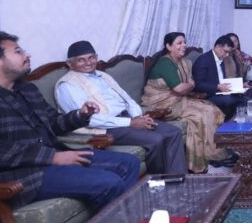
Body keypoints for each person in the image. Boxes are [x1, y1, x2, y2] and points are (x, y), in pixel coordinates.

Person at [0, 31, 139, 209]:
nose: (27, 54)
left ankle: (129, 220)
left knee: (129, 163)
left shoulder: (27, 89)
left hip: (53, 156)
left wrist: (81, 115)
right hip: (22, 174)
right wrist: (52, 157)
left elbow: (53, 123)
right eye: (18, 51)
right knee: (110, 182)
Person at [55, 40, 187, 175]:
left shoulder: (103, 76)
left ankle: (179, 179)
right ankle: (158, 182)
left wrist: (137, 116)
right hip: (105, 128)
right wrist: (131, 122)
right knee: (156, 140)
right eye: (81, 60)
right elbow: (89, 120)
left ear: (96, 57)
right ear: (70, 64)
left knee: (173, 132)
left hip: (127, 118)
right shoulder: (67, 85)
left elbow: (127, 99)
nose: (88, 63)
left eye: (91, 58)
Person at [142, 32, 236, 173]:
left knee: (211, 109)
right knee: (199, 116)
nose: (184, 45)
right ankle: (206, 157)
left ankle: (213, 153)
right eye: (179, 43)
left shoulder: (184, 62)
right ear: (168, 46)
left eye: (184, 42)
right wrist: (189, 85)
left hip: (180, 100)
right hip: (162, 105)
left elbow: (189, 85)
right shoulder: (165, 63)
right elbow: (180, 88)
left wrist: (188, 86)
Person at [192, 34, 248, 120]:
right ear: (218, 47)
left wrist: (239, 85)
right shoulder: (204, 60)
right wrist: (217, 86)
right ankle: (230, 124)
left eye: (229, 52)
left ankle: (239, 122)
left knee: (244, 98)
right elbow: (198, 84)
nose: (227, 55)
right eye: (226, 51)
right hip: (208, 95)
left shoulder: (220, 59)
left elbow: (222, 79)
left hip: (220, 92)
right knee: (231, 100)